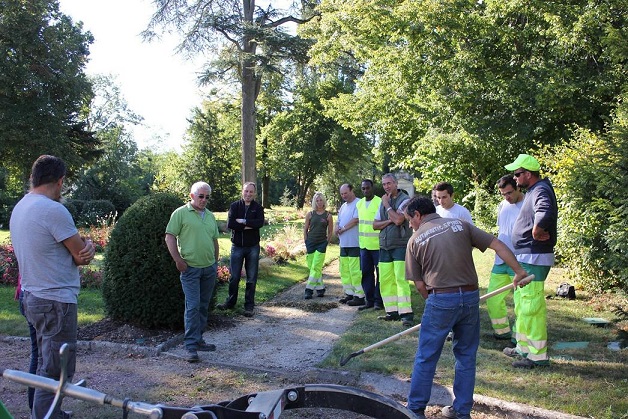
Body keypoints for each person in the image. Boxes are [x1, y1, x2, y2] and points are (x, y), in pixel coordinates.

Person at [404, 196, 530, 419]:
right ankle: (462, 411)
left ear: (417, 215)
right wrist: (518, 272)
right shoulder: (460, 225)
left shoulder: (415, 240)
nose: (409, 225)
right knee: (465, 356)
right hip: (471, 297)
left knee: (426, 356)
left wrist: (434, 305)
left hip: (441, 298)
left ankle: (414, 410)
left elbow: (420, 285)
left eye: (409, 220)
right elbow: (498, 244)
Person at [10, 155, 96, 419]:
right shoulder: (53, 210)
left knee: (42, 363)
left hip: (32, 295)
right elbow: (80, 253)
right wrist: (88, 248)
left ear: (34, 178)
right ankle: (46, 416)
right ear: (60, 182)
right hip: (55, 301)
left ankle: (49, 412)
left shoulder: (21, 206)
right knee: (56, 370)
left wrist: (79, 251)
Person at [502, 154, 557, 369]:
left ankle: (537, 356)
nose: (515, 179)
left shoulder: (541, 189)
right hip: (527, 256)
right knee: (523, 304)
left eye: (517, 174)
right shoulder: (534, 190)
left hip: (534, 257)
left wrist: (536, 230)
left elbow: (545, 211)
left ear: (528, 174)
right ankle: (522, 348)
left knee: (532, 306)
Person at [165, 182, 220, 363]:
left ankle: (199, 340)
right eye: (201, 196)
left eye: (207, 197)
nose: (204, 200)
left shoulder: (211, 216)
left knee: (203, 306)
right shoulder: (180, 213)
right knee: (193, 306)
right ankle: (190, 346)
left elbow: (214, 241)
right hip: (190, 269)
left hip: (208, 268)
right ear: (192, 196)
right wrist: (178, 260)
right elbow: (170, 236)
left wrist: (215, 263)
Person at [217, 182, 265, 317]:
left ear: (255, 193)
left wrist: (243, 222)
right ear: (242, 192)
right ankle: (230, 302)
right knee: (234, 277)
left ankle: (249, 305)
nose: (248, 194)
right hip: (237, 246)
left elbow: (259, 223)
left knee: (251, 277)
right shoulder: (234, 206)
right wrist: (250, 224)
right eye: (246, 191)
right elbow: (231, 224)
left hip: (252, 247)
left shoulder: (258, 208)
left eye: (251, 192)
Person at [372, 173, 414, 327]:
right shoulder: (384, 201)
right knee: (386, 279)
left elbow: (399, 220)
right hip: (384, 245)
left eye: (389, 183)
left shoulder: (405, 200)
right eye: (384, 184)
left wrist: (387, 206)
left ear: (396, 184)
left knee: (400, 279)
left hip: (400, 245)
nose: (386, 187)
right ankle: (392, 311)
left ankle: (406, 314)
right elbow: (374, 225)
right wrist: (390, 219)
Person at [486, 175, 524, 340]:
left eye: (509, 193)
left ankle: (519, 335)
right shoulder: (502, 205)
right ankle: (501, 331)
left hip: (520, 260)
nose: (506, 197)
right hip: (500, 260)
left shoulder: (528, 204)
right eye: (503, 194)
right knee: (492, 298)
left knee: (521, 302)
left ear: (518, 188)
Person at [355, 179, 384, 311]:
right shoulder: (360, 204)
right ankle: (369, 300)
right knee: (366, 274)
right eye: (363, 188)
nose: (365, 190)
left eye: (367, 188)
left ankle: (379, 301)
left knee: (380, 275)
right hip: (364, 246)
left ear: (372, 188)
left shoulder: (379, 202)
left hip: (378, 246)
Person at [336, 184, 364, 306]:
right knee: (345, 270)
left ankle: (359, 295)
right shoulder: (343, 206)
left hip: (354, 243)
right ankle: (349, 293)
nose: (344, 196)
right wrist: (337, 227)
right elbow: (338, 220)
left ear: (352, 190)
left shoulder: (359, 203)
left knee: (355, 271)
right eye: (342, 194)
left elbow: (355, 219)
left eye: (345, 193)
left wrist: (343, 228)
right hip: (344, 243)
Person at [303, 192, 333, 299]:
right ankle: (320, 288)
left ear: (324, 201)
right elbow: (305, 229)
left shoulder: (328, 215)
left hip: (321, 243)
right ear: (314, 202)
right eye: (317, 200)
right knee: (313, 267)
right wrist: (306, 241)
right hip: (310, 243)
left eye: (321, 200)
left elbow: (330, 232)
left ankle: (308, 289)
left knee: (316, 266)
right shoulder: (310, 214)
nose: (319, 202)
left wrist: (326, 243)